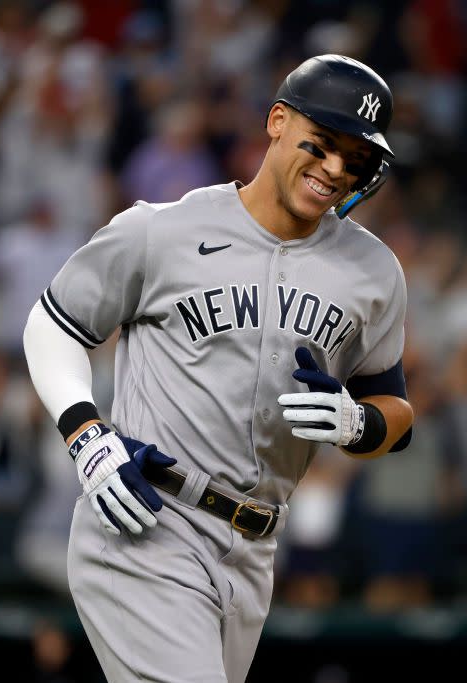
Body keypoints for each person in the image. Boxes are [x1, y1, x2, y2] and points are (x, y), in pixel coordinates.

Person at [23, 54, 413, 682]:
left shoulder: (374, 272)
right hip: (149, 522)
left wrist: (357, 423)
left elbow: (397, 412)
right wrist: (85, 434)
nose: (335, 170)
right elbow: (53, 324)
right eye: (322, 144)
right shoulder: (163, 231)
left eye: (357, 159)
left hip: (255, 551)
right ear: (277, 122)